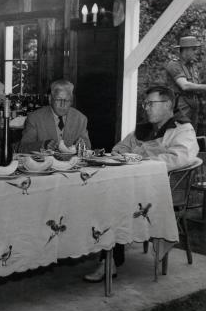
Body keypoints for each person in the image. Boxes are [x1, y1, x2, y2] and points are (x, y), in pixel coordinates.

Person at [84, 85, 199, 283]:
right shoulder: (144, 128)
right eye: (144, 104)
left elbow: (179, 158)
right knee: (101, 194)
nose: (145, 108)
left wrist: (140, 158)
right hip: (137, 186)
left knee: (113, 202)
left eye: (150, 104)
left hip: (163, 191)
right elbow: (119, 148)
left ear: (168, 105)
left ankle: (109, 262)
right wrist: (129, 155)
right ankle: (93, 246)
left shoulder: (182, 129)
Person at [19, 79, 91, 153]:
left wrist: (83, 146)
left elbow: (88, 147)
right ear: (50, 99)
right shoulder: (35, 118)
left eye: (67, 100)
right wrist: (43, 145)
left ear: (71, 101)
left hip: (71, 163)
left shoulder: (81, 119)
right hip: (45, 163)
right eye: (58, 100)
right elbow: (23, 148)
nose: (62, 105)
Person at [165, 35, 206, 131]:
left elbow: (196, 85)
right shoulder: (174, 65)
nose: (196, 52)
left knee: (191, 136)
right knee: (180, 133)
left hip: (193, 105)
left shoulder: (192, 66)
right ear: (186, 50)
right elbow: (185, 85)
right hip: (180, 107)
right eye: (194, 49)